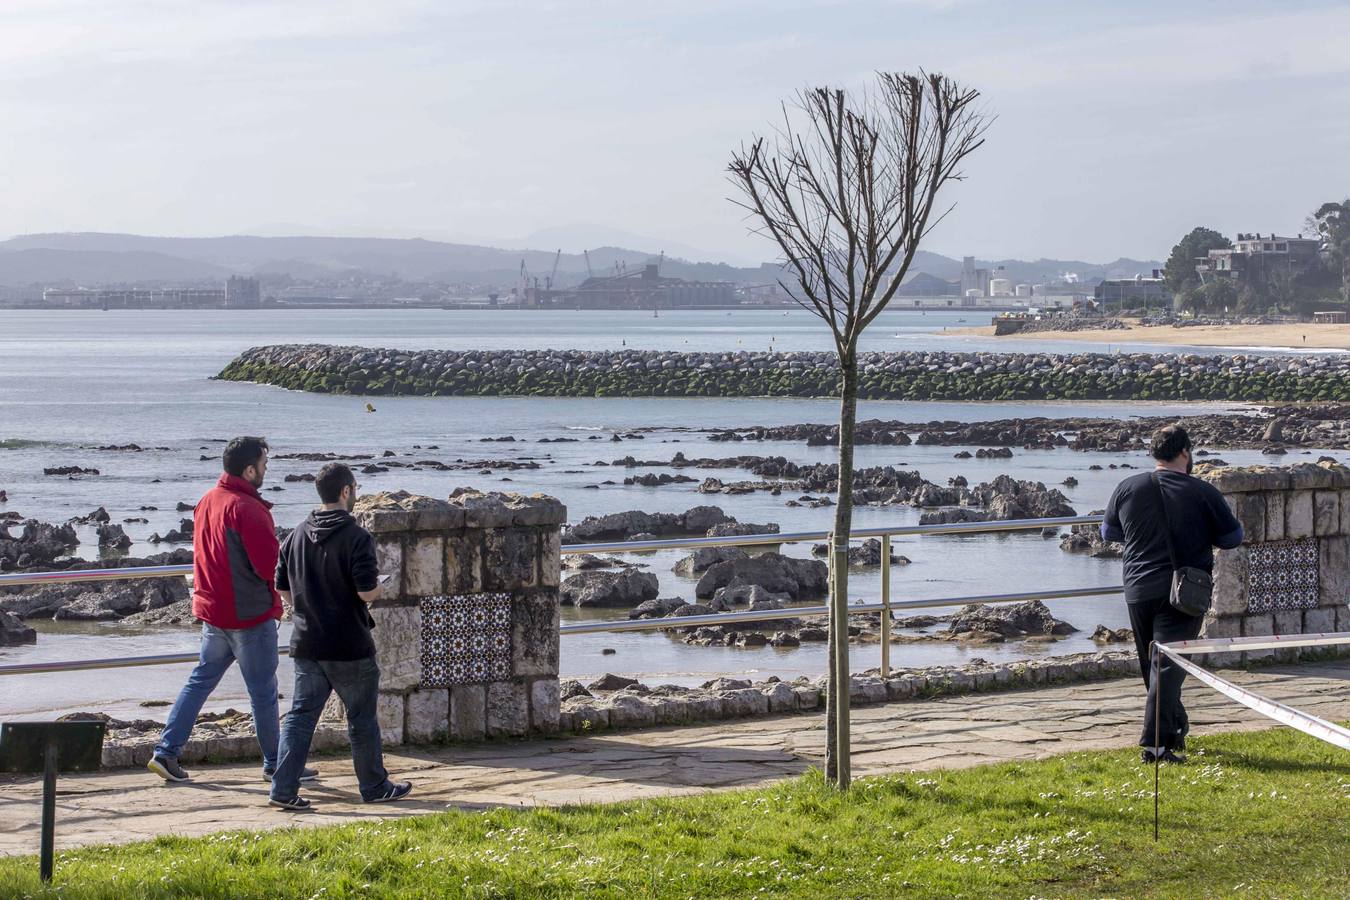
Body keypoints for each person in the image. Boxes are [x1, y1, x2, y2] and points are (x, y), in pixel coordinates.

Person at [149, 437, 314, 785]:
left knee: (200, 682)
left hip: (213, 610)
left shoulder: (206, 501)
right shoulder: (249, 509)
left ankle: (166, 751)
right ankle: (276, 764)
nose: (267, 470)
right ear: (249, 469)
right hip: (247, 616)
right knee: (264, 693)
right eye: (264, 465)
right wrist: (285, 601)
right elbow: (270, 566)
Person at [268, 463, 412, 810]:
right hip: (348, 643)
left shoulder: (296, 534)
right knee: (361, 718)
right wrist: (380, 586)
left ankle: (283, 789)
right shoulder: (358, 538)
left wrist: (306, 607)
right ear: (346, 491)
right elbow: (365, 593)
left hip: (306, 642)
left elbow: (282, 587)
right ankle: (374, 786)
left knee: (301, 716)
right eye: (355, 488)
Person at [1101, 424, 1243, 764]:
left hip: (1137, 587)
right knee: (1167, 668)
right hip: (1183, 592)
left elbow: (1109, 531)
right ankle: (1155, 748)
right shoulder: (1202, 492)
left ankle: (1174, 730)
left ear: (1154, 453)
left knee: (1153, 667)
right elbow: (1232, 538)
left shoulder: (1127, 487)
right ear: (1185, 453)